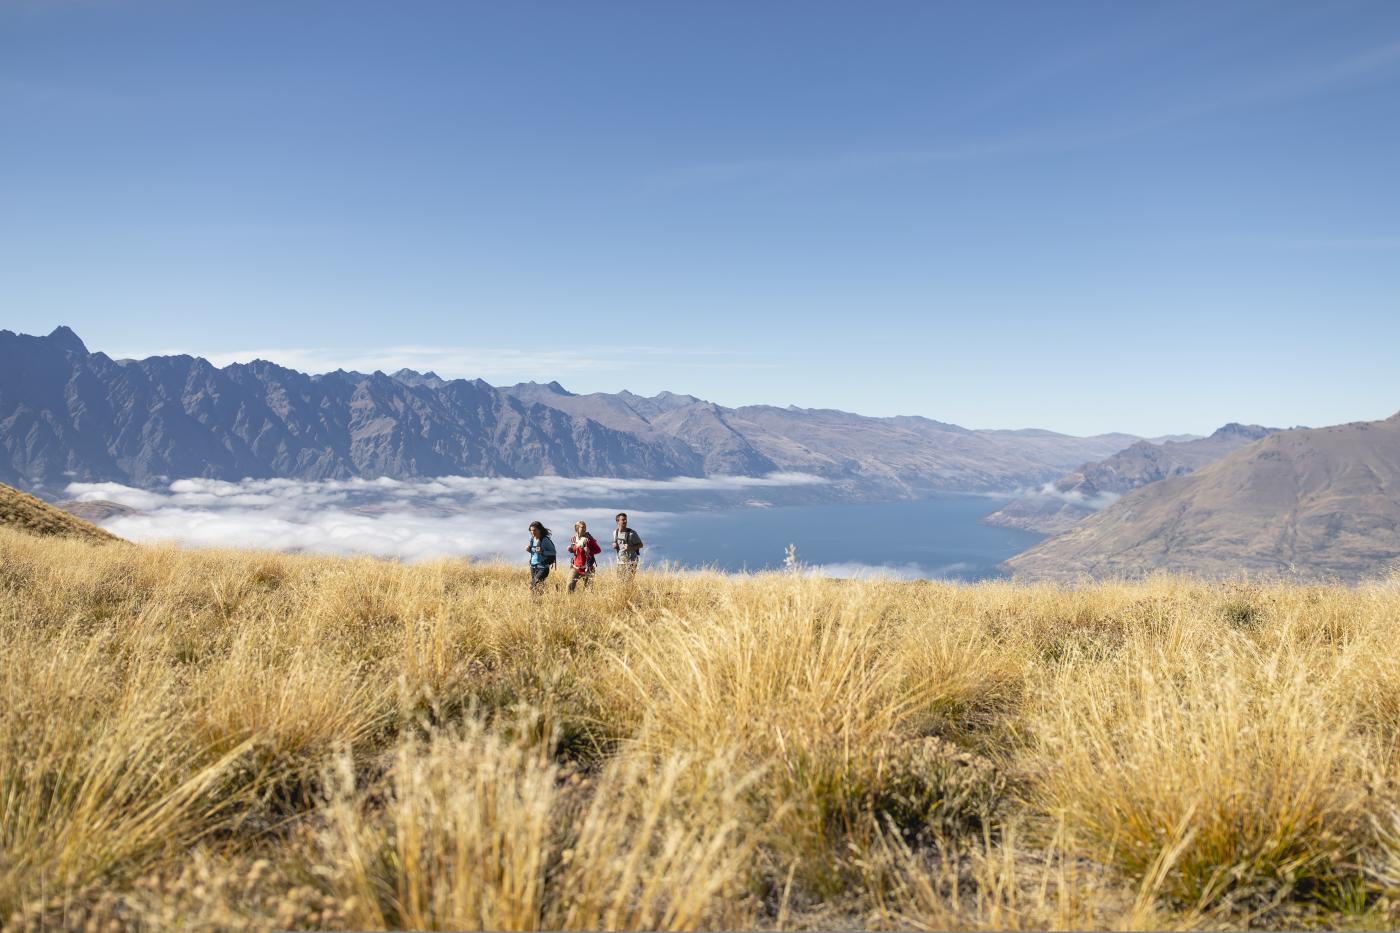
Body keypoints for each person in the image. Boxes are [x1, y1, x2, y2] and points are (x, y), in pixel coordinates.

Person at [567, 520, 603, 592]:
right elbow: (575, 550)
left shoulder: (589, 540)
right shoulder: (573, 539)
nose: (584, 529)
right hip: (575, 567)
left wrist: (590, 551)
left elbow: (598, 550)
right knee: (569, 588)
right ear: (577, 528)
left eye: (585, 527)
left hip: (588, 568)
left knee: (588, 591)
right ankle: (570, 602)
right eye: (582, 527)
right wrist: (571, 549)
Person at [526, 521, 556, 593]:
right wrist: (529, 550)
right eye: (531, 530)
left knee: (532, 585)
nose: (532, 532)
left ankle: (535, 600)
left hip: (543, 567)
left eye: (534, 530)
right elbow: (535, 552)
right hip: (533, 566)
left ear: (540, 530)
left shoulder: (545, 540)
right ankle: (538, 601)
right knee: (539, 586)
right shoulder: (532, 539)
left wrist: (543, 552)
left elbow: (553, 552)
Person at [612, 512, 644, 579]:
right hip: (620, 562)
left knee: (628, 582)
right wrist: (614, 545)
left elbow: (641, 545)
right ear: (617, 521)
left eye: (626, 519)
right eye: (623, 520)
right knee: (620, 582)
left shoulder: (632, 533)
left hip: (631, 562)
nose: (625, 521)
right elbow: (617, 544)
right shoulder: (615, 533)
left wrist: (630, 548)